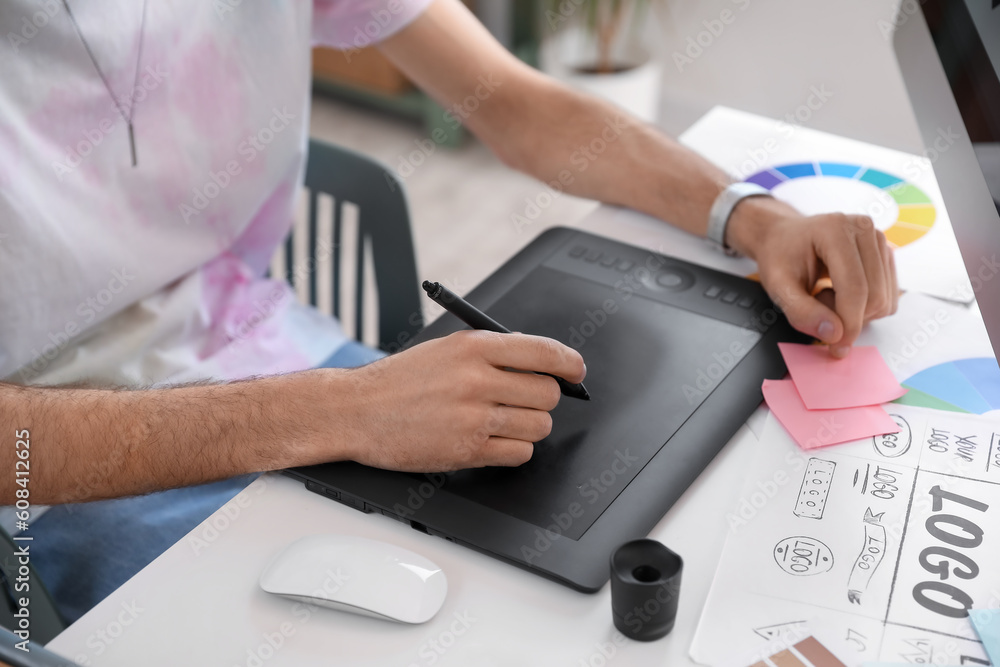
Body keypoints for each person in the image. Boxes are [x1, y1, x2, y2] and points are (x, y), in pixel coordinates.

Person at [0, 0, 897, 621]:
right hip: (67, 468)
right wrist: (339, 410)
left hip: (280, 354)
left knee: (563, 567)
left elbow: (513, 101)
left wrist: (749, 215)